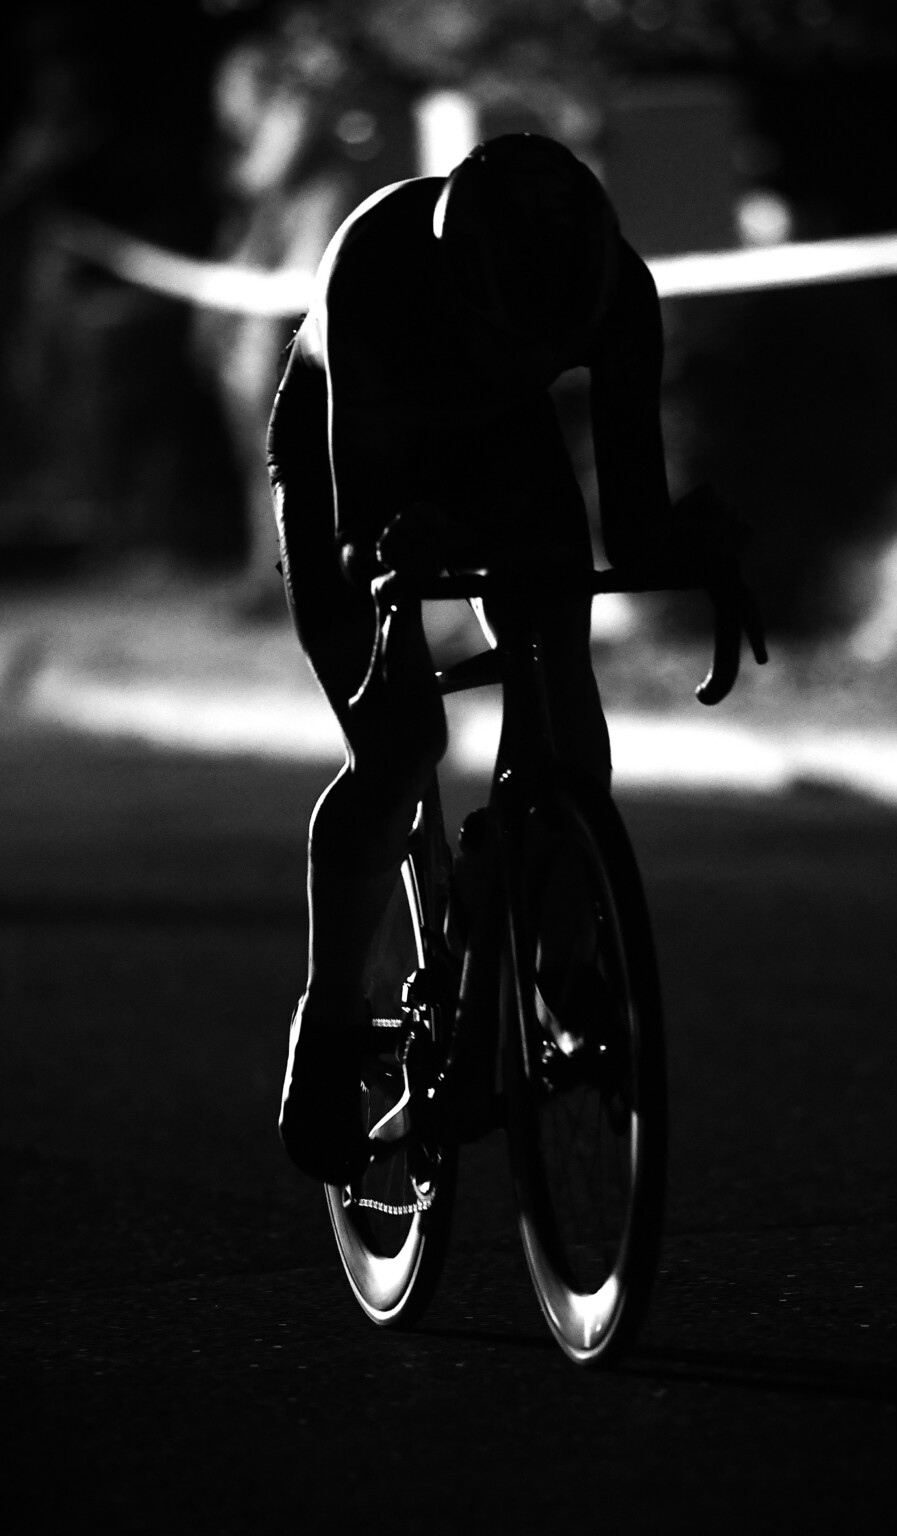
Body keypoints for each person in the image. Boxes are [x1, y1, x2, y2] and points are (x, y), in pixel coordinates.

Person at [267, 131, 736, 1184]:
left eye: (546, 346)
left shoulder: (616, 291)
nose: (529, 360)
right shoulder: (379, 264)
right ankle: (331, 1022)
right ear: (461, 288)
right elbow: (358, 537)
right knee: (399, 743)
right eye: (508, 337)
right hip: (348, 448)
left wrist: (692, 546)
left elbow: (636, 525)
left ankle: (556, 947)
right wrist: (394, 569)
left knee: (563, 704)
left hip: (498, 449)